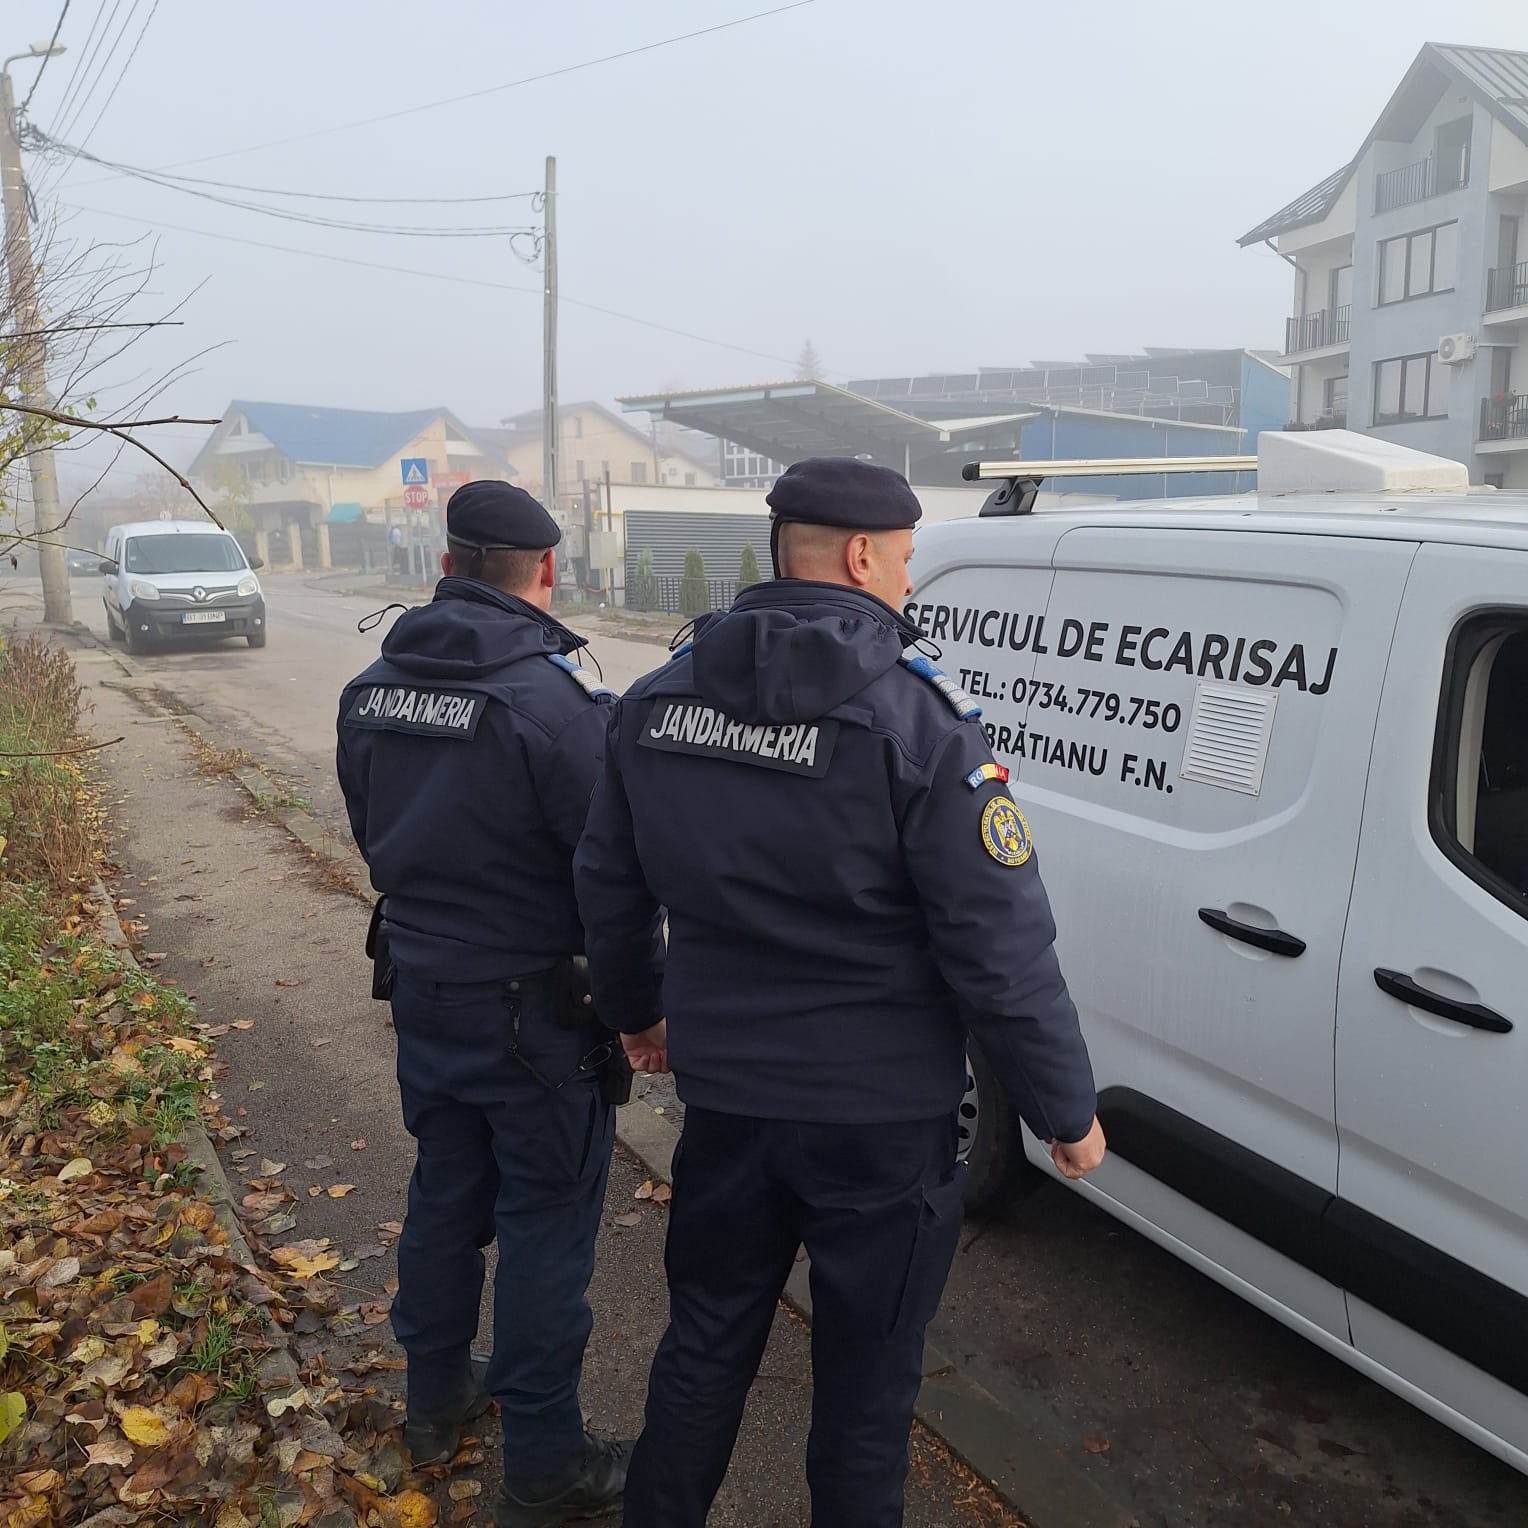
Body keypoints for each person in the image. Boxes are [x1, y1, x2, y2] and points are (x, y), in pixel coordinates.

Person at [573, 457, 1106, 1528]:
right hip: (880, 1124)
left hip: (728, 1104)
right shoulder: (921, 720)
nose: (907, 583)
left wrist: (637, 1013)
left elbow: (608, 882)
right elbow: (998, 944)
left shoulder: (658, 700)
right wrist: (1065, 1109)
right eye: (904, 561)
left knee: (704, 1343)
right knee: (866, 1390)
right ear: (861, 556)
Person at [336, 480, 657, 1528]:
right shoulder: (555, 707)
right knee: (544, 1229)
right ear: (546, 570)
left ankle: (435, 1401)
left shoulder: (371, 688)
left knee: (443, 1192)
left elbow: (370, 830)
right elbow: (611, 877)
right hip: (534, 1016)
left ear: (445, 564)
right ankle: (546, 1464)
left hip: (423, 990)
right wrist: (636, 1006)